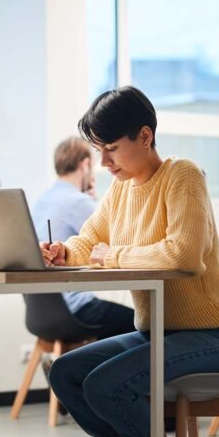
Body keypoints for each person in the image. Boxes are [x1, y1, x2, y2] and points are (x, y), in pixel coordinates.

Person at [42, 86, 219, 437]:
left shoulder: (183, 176)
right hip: (158, 331)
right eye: (100, 152)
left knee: (105, 386)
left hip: (216, 336)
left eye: (112, 150)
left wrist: (111, 255)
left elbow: (183, 256)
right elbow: (90, 240)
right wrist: (66, 251)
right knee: (65, 372)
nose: (104, 164)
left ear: (145, 136)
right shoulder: (120, 191)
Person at [31, 136, 135, 338]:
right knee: (142, 325)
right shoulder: (78, 202)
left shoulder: (42, 200)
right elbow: (119, 241)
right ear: (86, 165)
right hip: (75, 308)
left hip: (40, 313)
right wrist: (94, 202)